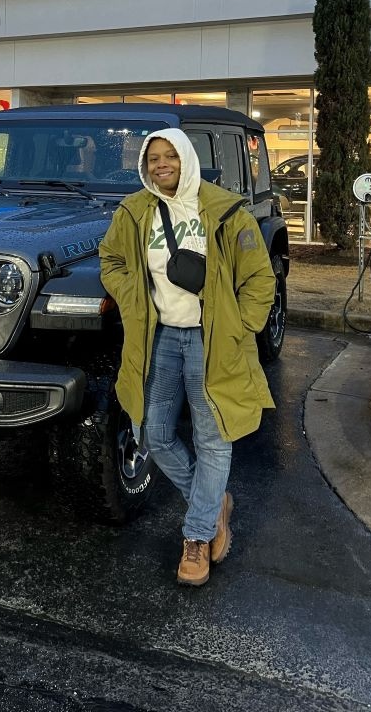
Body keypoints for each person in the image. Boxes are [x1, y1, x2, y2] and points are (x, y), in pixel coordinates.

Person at [99, 128, 276, 586]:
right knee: (154, 434)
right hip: (158, 339)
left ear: (187, 159)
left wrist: (241, 328)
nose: (162, 165)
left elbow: (259, 278)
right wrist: (133, 298)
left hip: (210, 341)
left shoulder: (224, 210)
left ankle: (196, 537)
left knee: (212, 438)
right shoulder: (135, 211)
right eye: (153, 158)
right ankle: (214, 502)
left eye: (170, 156)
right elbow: (111, 260)